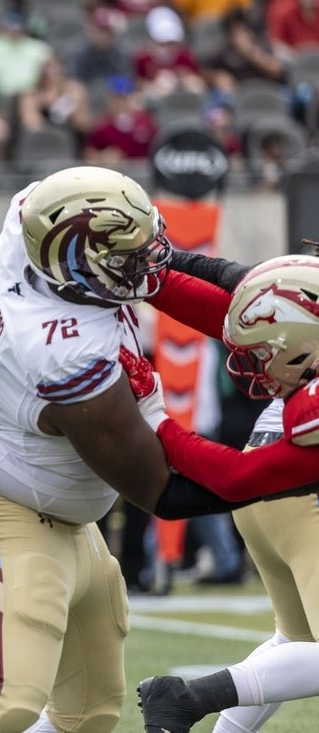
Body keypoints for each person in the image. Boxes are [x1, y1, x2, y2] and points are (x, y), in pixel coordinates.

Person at [0, 166, 304, 733]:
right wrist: (288, 469)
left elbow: (157, 267)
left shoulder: (33, 222)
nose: (147, 263)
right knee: (9, 698)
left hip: (70, 513)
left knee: (87, 715)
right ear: (78, 268)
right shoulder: (63, 351)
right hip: (2, 505)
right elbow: (164, 490)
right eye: (128, 259)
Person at [135, 253, 319, 733]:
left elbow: (232, 294)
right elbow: (239, 300)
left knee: (294, 639)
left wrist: (154, 274)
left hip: (267, 499)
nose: (257, 370)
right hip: (299, 503)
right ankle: (187, 697)